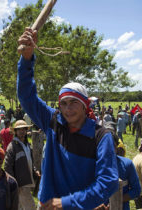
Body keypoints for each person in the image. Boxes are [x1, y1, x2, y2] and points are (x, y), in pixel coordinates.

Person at [16, 28, 119, 209]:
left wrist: (66, 203)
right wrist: (26, 59)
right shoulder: (54, 122)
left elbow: (108, 181)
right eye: (63, 103)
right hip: (48, 205)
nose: (68, 109)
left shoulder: (100, 136)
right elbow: (26, 96)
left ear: (85, 106)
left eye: (73, 103)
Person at [95, 125, 141, 210]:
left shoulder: (127, 164)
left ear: (116, 148)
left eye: (111, 146)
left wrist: (117, 200)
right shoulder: (91, 166)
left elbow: (136, 190)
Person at [4, 120, 40, 210]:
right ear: (15, 132)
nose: (22, 131)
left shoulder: (27, 144)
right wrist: (13, 183)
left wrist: (35, 170)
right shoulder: (12, 147)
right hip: (20, 183)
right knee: (30, 206)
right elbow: (7, 167)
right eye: (19, 130)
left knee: (19, 206)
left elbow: (30, 160)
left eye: (23, 129)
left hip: (27, 180)